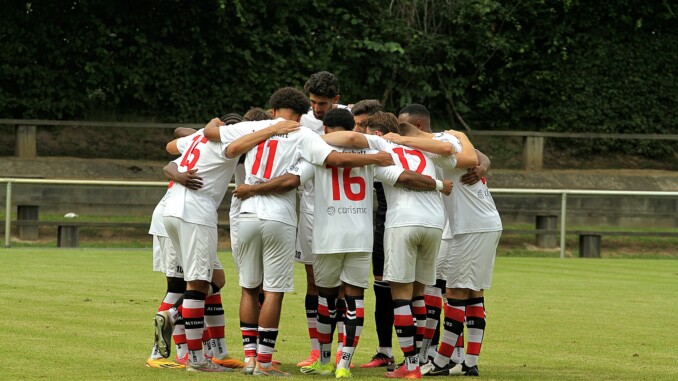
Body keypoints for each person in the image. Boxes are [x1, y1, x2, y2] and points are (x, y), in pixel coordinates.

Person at [231, 108, 452, 378]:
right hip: (361, 236)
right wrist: (439, 185)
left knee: (326, 298)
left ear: (325, 129)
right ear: (353, 130)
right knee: (354, 299)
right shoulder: (371, 158)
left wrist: (251, 189)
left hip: (327, 236)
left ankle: (324, 360)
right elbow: (403, 176)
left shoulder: (315, 153)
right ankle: (344, 364)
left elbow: (291, 179)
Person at [204, 87, 394, 376]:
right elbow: (335, 160)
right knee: (274, 291)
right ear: (303, 112)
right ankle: (265, 364)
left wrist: (256, 129)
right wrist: (374, 159)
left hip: (246, 213)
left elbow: (214, 136)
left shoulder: (254, 126)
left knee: (248, 287)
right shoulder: (303, 134)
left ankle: (249, 358)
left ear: (273, 108)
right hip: (279, 215)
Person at [157, 113, 302, 372]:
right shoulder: (227, 144)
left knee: (216, 278)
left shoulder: (201, 138)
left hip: (172, 210)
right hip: (195, 212)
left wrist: (211, 126)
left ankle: (176, 314)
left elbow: (172, 153)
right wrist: (274, 129)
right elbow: (237, 145)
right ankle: (196, 359)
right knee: (197, 284)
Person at [322, 112, 461, 379]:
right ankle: (418, 362)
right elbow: (454, 151)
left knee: (401, 297)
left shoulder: (381, 147)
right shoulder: (423, 148)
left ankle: (409, 368)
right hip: (434, 224)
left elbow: (404, 177)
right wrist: (440, 183)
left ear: (377, 134)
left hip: (403, 223)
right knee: (419, 295)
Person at [388, 104, 501, 377]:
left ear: (418, 125)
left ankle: (441, 362)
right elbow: (474, 155)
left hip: (473, 226)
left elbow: (463, 155)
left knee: (457, 293)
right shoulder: (446, 139)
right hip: (476, 224)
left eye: (406, 129)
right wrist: (471, 148)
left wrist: (402, 139)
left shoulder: (441, 143)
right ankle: (469, 363)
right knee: (472, 293)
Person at [296, 71, 344, 367]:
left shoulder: (349, 119)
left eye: (322, 103)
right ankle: (317, 349)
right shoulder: (299, 121)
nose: (316, 108)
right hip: (311, 211)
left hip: (343, 213)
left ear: (336, 100)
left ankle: (340, 349)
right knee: (313, 281)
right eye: (312, 102)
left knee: (340, 285)